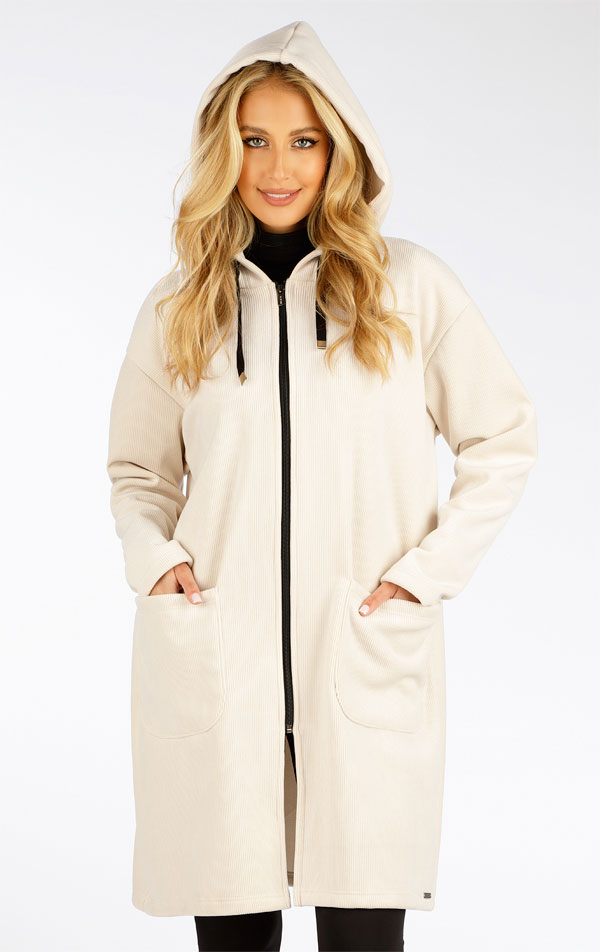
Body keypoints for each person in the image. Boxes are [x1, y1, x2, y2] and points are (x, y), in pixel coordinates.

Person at [106, 20, 537, 952]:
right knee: (232, 931)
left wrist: (424, 577)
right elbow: (138, 469)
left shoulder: (407, 290)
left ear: (340, 149)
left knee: (364, 935)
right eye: (254, 139)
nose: (278, 167)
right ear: (223, 150)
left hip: (364, 658)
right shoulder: (181, 305)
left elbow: (503, 438)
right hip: (220, 660)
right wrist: (157, 561)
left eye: (303, 140)